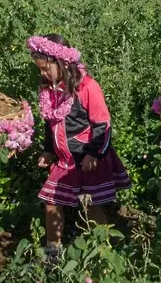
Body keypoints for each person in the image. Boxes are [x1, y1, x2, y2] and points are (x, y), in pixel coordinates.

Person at [27, 34, 131, 262]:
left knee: (91, 206)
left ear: (62, 63)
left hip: (85, 158)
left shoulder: (87, 87)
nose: (42, 74)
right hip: (63, 159)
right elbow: (50, 122)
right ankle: (53, 250)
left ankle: (102, 251)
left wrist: (95, 153)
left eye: (45, 69)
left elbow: (103, 123)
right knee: (51, 203)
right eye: (40, 70)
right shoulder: (49, 89)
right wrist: (47, 149)